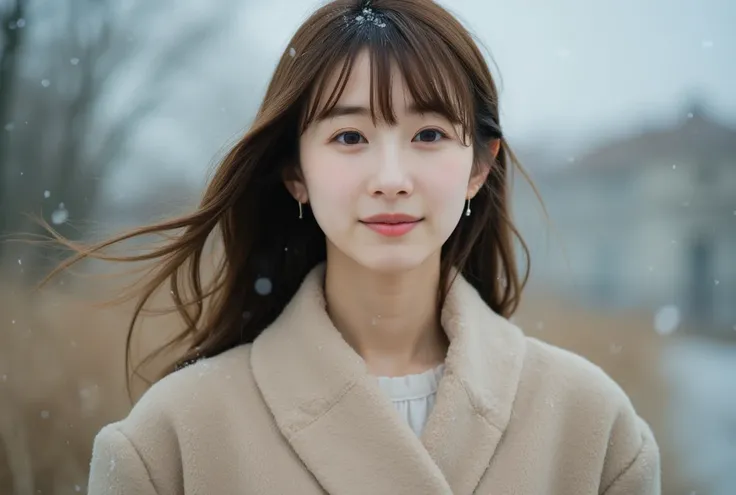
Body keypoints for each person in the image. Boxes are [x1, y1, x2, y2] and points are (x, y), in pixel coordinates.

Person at [75, 0, 660, 493]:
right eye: (349, 136)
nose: (391, 177)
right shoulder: (171, 440)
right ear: (295, 173)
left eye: (428, 135)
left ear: (479, 168)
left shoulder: (591, 426)